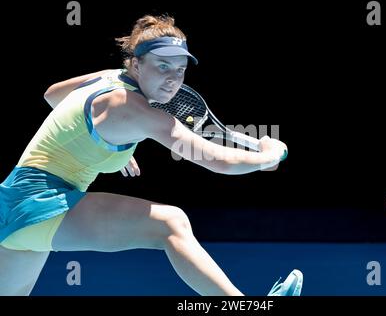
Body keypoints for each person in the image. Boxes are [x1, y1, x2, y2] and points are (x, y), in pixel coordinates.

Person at [0, 15, 302, 296]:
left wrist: (102, 145)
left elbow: (52, 95)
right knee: (170, 223)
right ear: (136, 65)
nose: (173, 79)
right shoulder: (133, 109)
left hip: (11, 203)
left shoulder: (108, 78)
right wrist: (267, 155)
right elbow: (218, 160)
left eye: (180, 70)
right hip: (41, 203)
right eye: (162, 66)